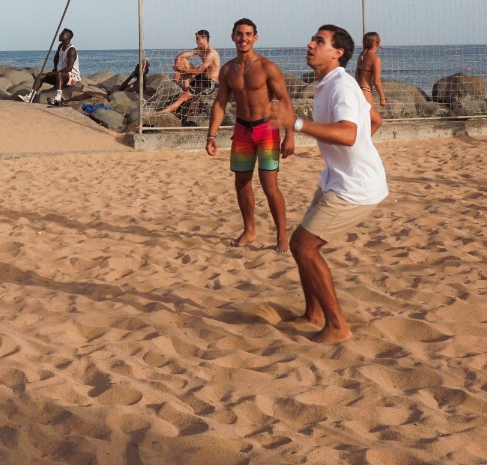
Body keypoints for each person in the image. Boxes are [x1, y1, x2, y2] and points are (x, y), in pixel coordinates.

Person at [271, 23, 389, 344]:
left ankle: (337, 326)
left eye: (319, 41)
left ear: (337, 53)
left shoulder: (341, 87)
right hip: (336, 179)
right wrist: (355, 155)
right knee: (304, 246)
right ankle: (314, 314)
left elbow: (350, 134)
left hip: (355, 188)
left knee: (303, 246)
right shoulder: (328, 83)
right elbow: (373, 121)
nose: (310, 44)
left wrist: (295, 124)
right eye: (312, 38)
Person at [206, 18, 295, 253]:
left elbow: (284, 100)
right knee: (242, 182)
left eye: (248, 34)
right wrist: (211, 135)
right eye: (239, 34)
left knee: (269, 185)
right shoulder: (227, 70)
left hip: (266, 130)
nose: (243, 38)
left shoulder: (267, 67)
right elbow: (220, 102)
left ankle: (282, 236)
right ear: (232, 36)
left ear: (255, 37)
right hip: (242, 131)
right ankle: (249, 229)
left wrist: (290, 135)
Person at [165, 30, 222, 118]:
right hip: (201, 78)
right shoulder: (199, 50)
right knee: (183, 60)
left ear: (205, 38)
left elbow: (198, 71)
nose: (195, 41)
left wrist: (181, 69)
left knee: (183, 96)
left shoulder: (211, 53)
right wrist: (177, 71)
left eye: (197, 38)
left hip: (209, 83)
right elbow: (180, 56)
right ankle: (186, 86)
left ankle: (170, 109)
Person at [24, 29, 80, 105]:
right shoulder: (60, 46)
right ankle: (30, 96)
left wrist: (56, 73)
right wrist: (55, 68)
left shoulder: (71, 50)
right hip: (62, 75)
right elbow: (56, 57)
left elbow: (69, 68)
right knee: (41, 76)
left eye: (62, 34)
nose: (59, 35)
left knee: (59, 74)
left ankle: (58, 97)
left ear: (68, 37)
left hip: (72, 77)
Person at [355, 32, 387, 112]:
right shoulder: (376, 59)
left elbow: (356, 75)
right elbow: (376, 81)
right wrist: (382, 98)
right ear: (377, 42)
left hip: (357, 90)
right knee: (375, 121)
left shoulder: (361, 55)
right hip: (366, 91)